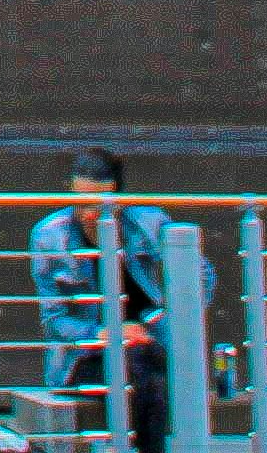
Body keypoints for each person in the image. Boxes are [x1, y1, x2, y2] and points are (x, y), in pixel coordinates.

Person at [30, 150, 182, 453]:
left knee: (145, 368)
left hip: (148, 345)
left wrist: (157, 322)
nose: (88, 213)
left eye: (99, 204)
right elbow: (53, 320)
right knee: (141, 376)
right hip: (86, 358)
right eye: (80, 201)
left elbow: (200, 276)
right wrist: (101, 334)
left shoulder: (147, 223)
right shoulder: (49, 237)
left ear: (118, 200)